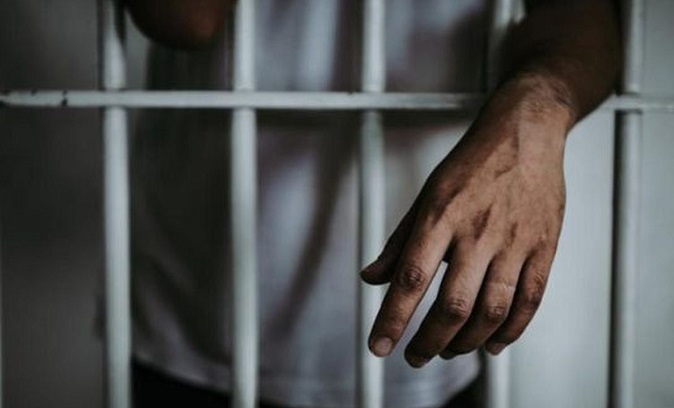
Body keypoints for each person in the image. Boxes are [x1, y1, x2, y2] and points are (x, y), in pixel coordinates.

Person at [123, 0, 621, 407]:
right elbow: (183, 18)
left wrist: (538, 112)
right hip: (196, 310)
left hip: (434, 323)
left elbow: (588, 16)